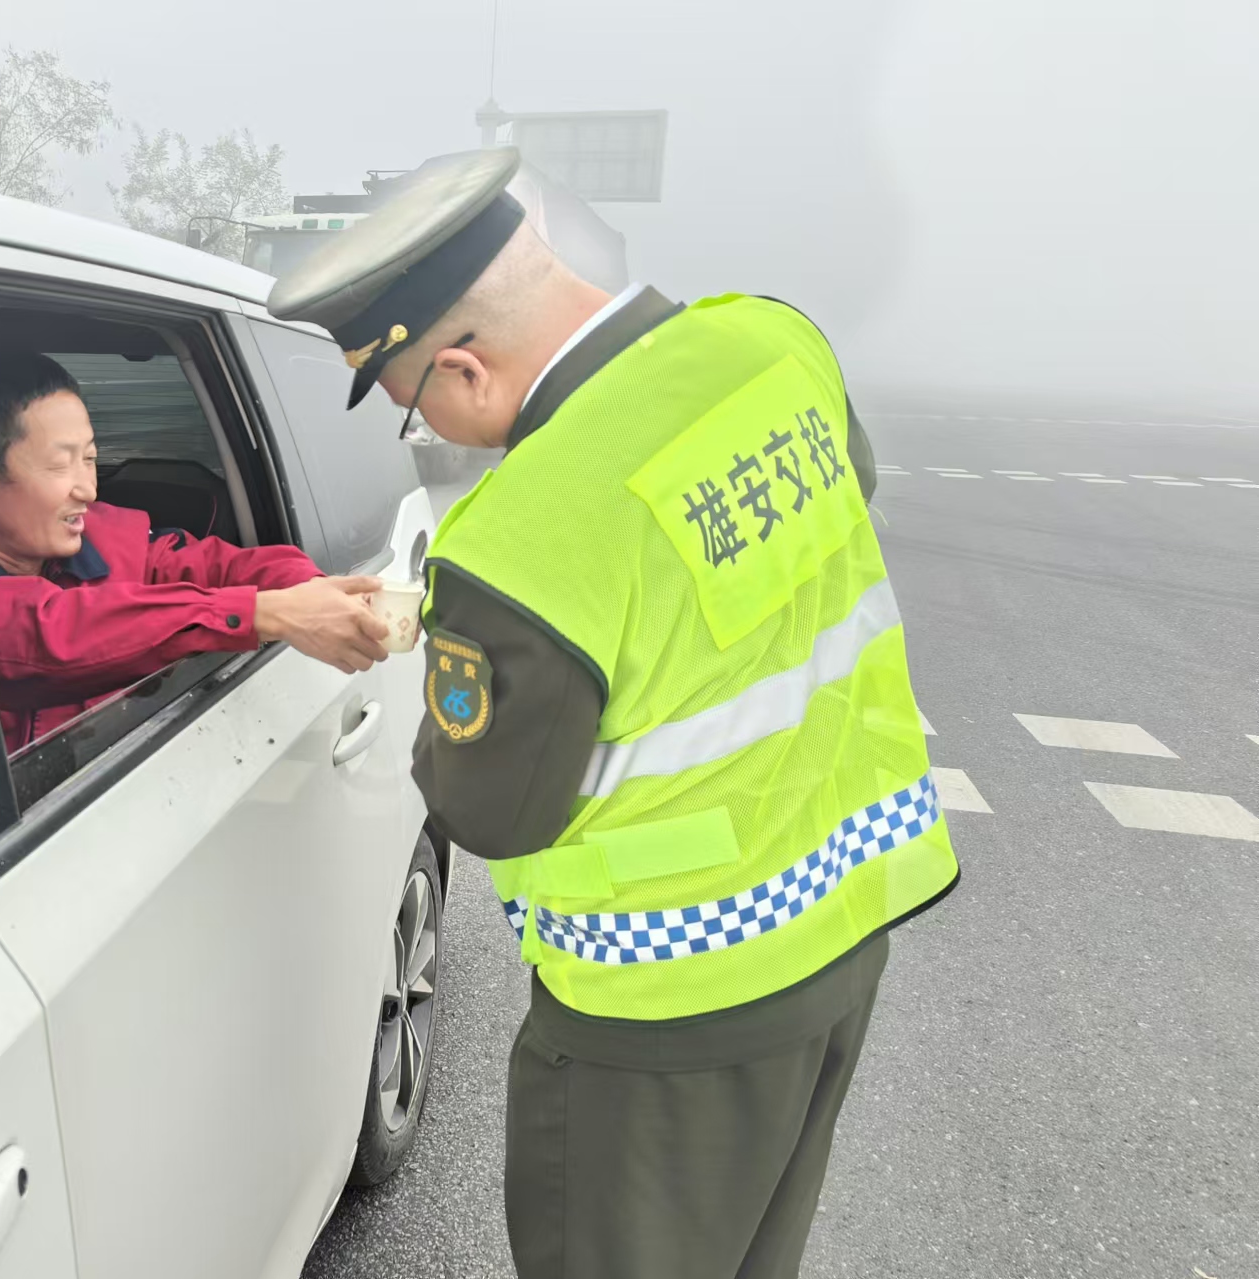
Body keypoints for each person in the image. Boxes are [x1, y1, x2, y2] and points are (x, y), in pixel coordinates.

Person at [267, 147, 959, 1279]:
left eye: (413, 409)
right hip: (840, 928)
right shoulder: (770, 345)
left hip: (665, 1014)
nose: (428, 431)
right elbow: (810, 519)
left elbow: (490, 807)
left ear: (462, 368)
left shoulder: (515, 539)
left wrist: (443, 646)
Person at [0, 351, 390, 752]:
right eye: (62, 464)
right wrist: (260, 613)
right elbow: (49, 631)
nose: (87, 488)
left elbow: (219, 565)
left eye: (91, 459)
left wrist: (306, 589)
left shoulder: (110, 538)